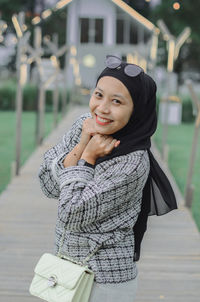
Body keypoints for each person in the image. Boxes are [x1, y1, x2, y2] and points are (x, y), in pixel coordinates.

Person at [38, 55, 177, 302]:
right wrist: (83, 143)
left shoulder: (132, 162)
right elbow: (47, 185)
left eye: (117, 102)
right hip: (64, 270)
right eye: (98, 95)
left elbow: (70, 214)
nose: (102, 108)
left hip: (104, 283)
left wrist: (87, 158)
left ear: (137, 110)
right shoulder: (86, 125)